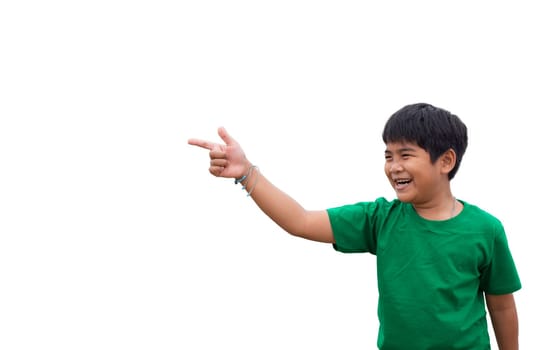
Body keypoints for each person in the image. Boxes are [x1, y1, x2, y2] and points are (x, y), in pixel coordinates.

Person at [188, 103, 521, 349]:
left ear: (446, 161)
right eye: (388, 156)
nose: (394, 167)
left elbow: (502, 306)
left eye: (405, 155)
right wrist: (248, 173)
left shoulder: (485, 229)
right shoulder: (379, 219)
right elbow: (300, 220)